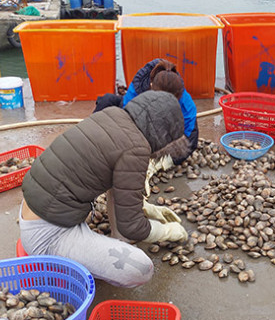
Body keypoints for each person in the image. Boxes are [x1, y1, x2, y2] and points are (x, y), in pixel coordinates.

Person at [19, 91, 191, 288]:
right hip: (47, 237)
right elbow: (132, 227)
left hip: (36, 210)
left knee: (122, 226)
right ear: (163, 134)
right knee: (142, 269)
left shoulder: (111, 114)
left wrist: (146, 209)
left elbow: (116, 185)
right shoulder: (137, 148)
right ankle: (65, 264)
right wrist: (166, 231)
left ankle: (113, 242)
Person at [95, 59, 198, 163]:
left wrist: (168, 159)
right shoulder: (138, 87)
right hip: (139, 112)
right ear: (152, 87)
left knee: (192, 136)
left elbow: (190, 131)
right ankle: (96, 144)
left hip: (164, 119)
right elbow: (126, 121)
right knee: (107, 100)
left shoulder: (181, 95)